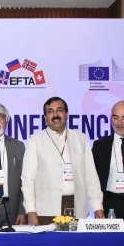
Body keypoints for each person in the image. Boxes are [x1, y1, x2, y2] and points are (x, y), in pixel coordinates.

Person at [21, 96, 104, 225]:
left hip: (78, 209)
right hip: (46, 211)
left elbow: (91, 176)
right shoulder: (35, 141)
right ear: (45, 117)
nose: (55, 115)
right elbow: (28, 180)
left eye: (59, 110)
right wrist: (31, 211)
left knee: (76, 240)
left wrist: (97, 206)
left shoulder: (80, 139)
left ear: (66, 114)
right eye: (50, 111)